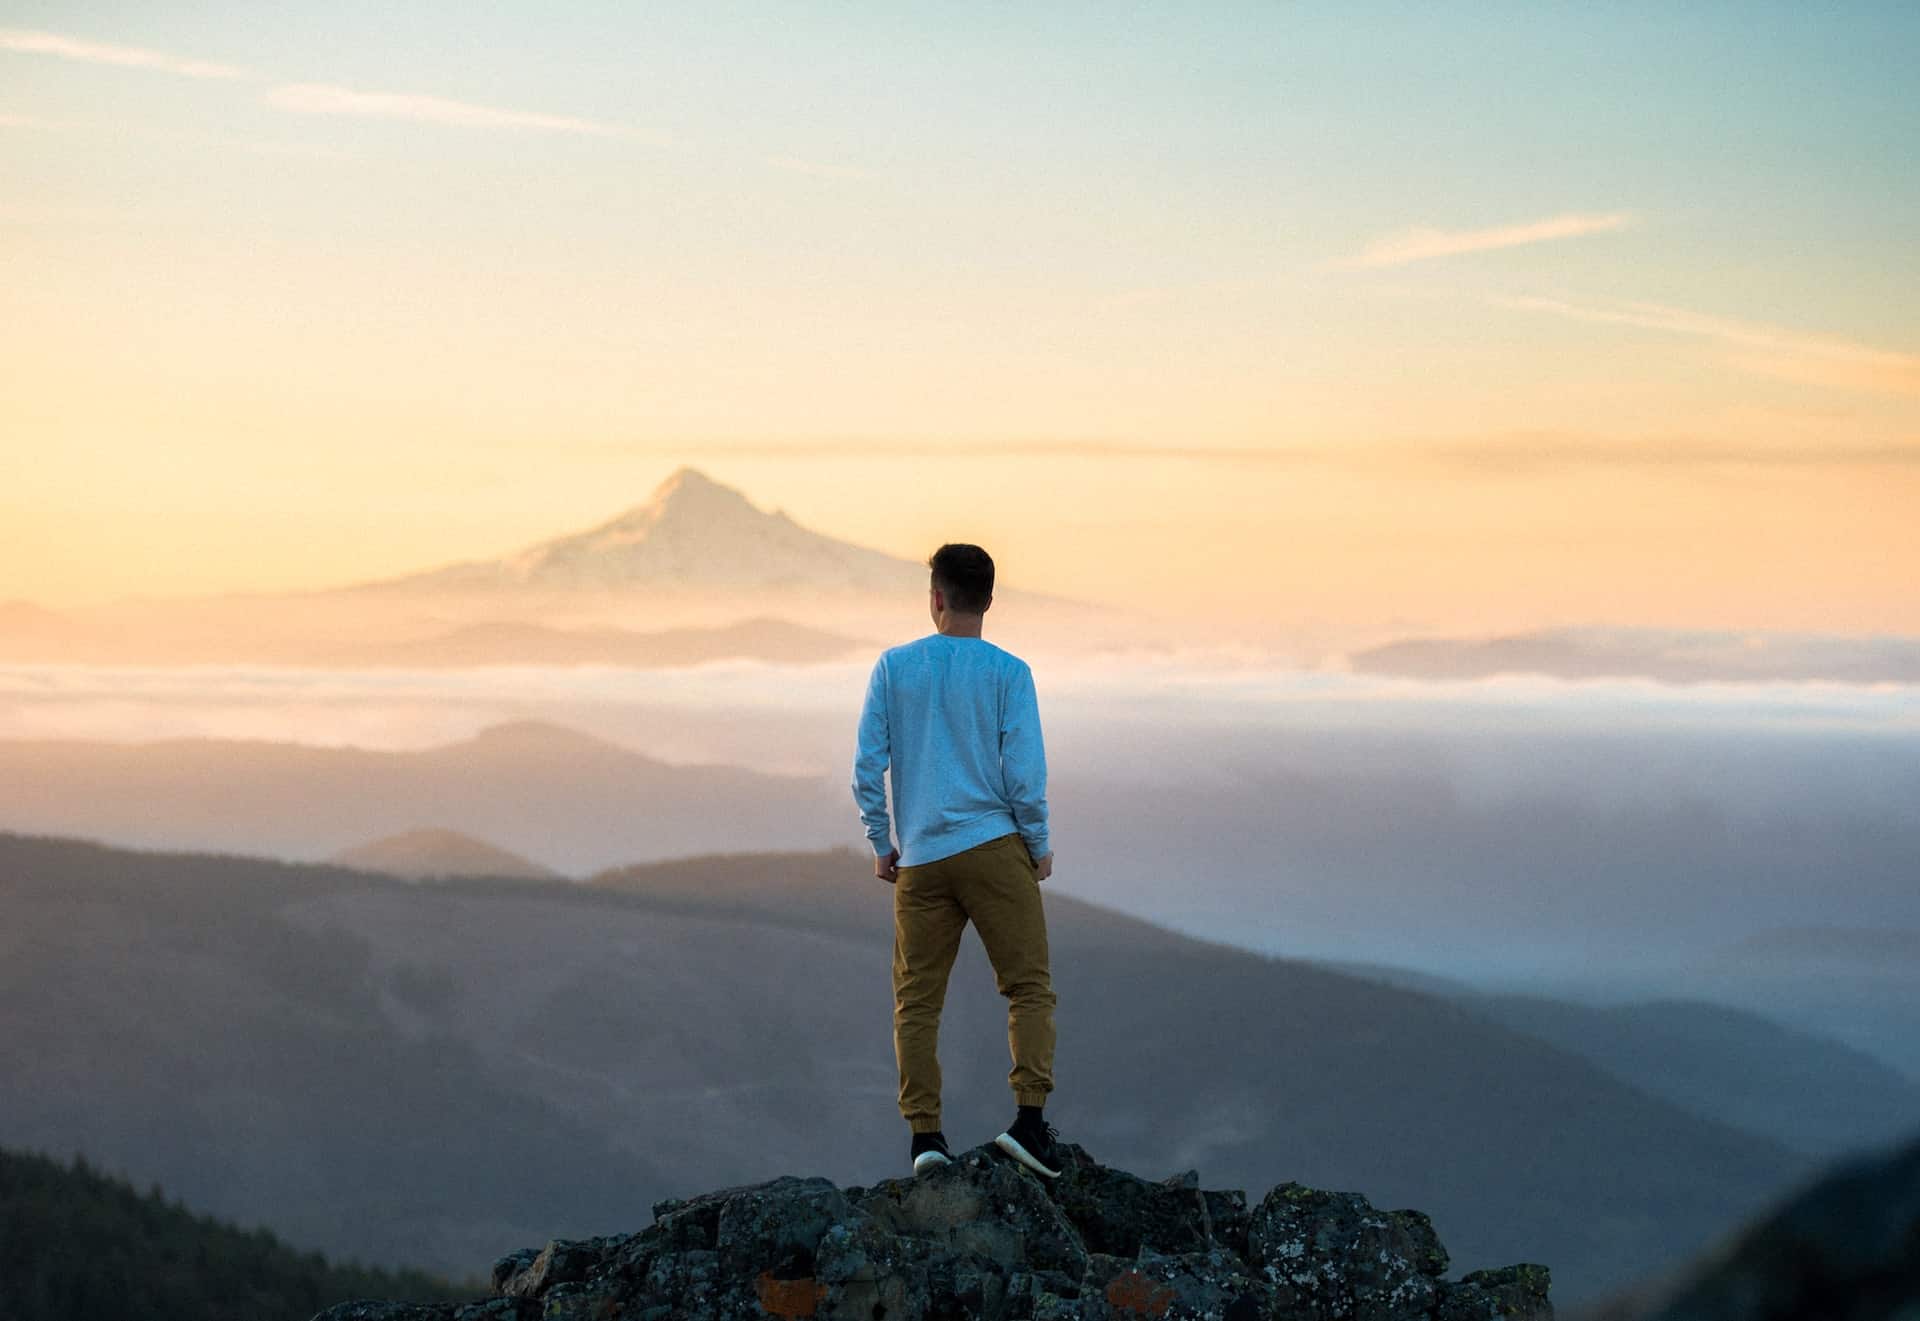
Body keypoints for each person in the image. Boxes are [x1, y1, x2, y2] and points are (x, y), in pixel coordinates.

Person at [850, 543, 1062, 1179]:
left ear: (935, 596)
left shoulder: (894, 667)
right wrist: (1039, 845)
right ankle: (1028, 1122)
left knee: (917, 1003)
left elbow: (867, 767)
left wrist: (882, 842)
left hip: (920, 859)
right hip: (995, 847)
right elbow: (1024, 776)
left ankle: (925, 1139)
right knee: (1028, 987)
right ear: (989, 600)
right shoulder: (1008, 672)